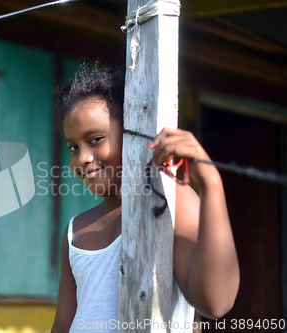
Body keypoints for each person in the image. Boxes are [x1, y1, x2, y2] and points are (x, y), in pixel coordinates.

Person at [50, 66, 240, 333]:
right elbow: (62, 326)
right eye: (73, 147)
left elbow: (215, 302)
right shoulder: (75, 231)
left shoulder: (169, 201)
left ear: (131, 133)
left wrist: (211, 183)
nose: (82, 158)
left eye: (95, 139)